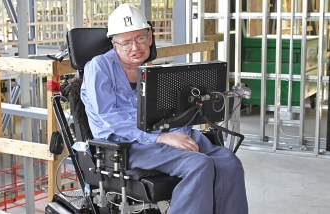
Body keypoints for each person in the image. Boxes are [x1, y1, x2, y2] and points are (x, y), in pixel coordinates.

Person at [81, 3, 248, 214]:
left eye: (140, 38)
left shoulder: (149, 70)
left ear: (150, 37)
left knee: (229, 163)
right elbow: (111, 119)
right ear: (114, 45)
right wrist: (162, 138)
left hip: (165, 136)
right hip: (124, 147)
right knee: (198, 165)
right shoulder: (99, 67)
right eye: (126, 43)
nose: (135, 47)